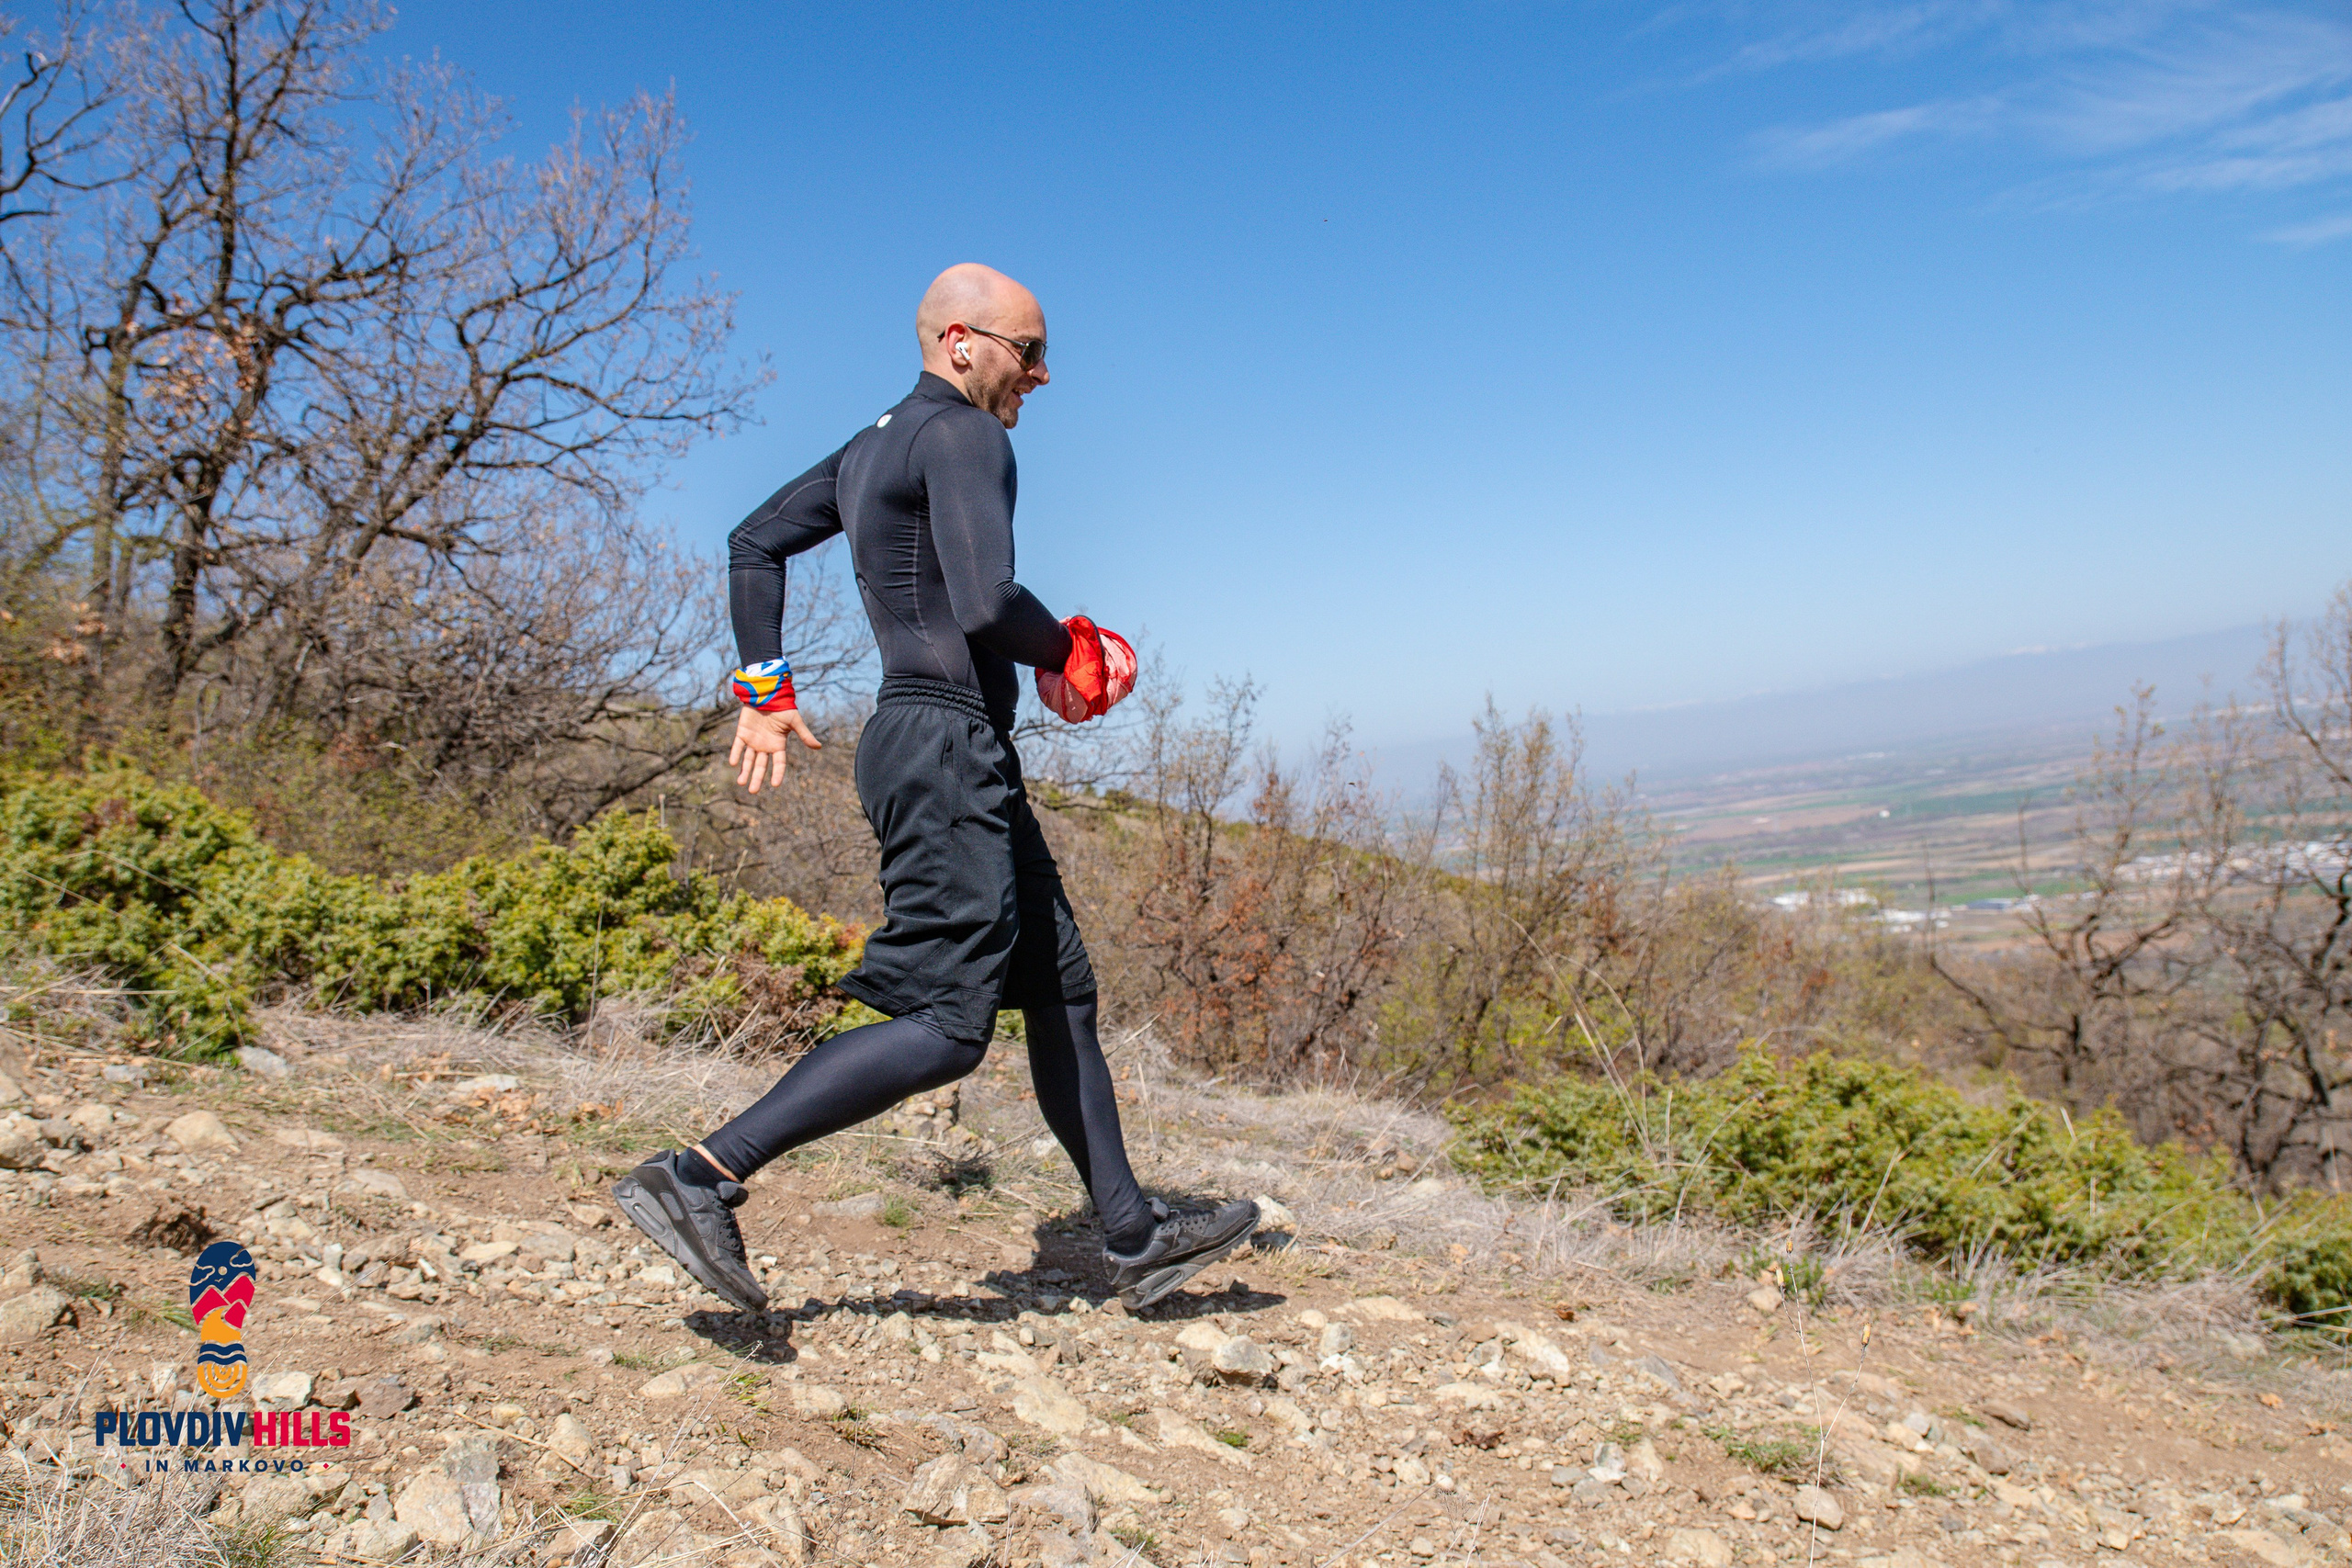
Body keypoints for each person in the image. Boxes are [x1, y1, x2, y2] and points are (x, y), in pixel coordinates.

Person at [614, 264, 1260, 1314]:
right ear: (962, 342)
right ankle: (698, 1174)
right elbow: (986, 596)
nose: (1042, 375)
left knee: (1060, 992)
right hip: (945, 743)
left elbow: (754, 542)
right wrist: (1073, 650)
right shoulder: (964, 435)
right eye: (1029, 351)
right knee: (946, 1024)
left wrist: (763, 688)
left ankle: (1134, 1237)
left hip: (939, 743)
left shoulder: (874, 443)